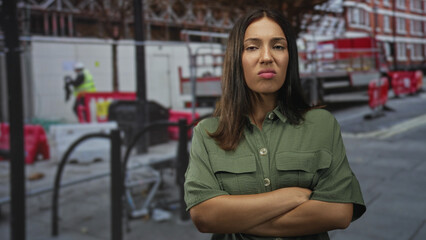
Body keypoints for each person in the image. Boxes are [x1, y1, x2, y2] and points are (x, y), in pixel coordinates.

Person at [184, 8, 366, 240]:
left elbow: (338, 212)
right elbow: (205, 217)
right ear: (236, 58)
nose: (267, 57)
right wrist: (292, 197)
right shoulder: (207, 133)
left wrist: (234, 219)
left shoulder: (322, 124)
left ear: (290, 57)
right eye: (252, 47)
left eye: (278, 46)